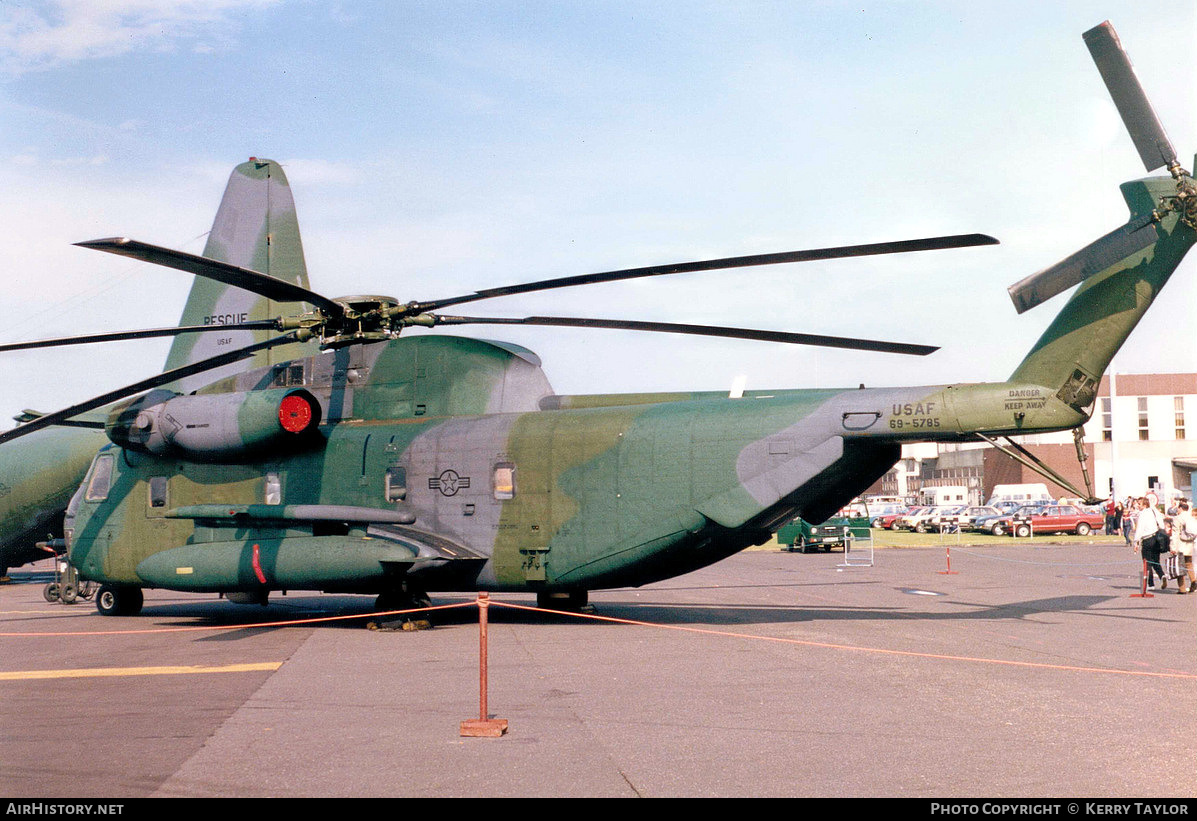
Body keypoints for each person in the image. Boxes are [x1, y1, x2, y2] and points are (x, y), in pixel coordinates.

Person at [1133, 496, 1167, 589]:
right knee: (1155, 560)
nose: (1137, 506)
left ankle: (1150, 584)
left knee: (1147, 562)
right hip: (1156, 537)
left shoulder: (1142, 514)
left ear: (1144, 505)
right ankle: (1162, 576)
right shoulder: (1153, 511)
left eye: (1139, 504)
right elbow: (1161, 524)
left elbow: (1140, 529)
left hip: (1147, 539)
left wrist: (1136, 542)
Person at [1172, 500, 1196, 594]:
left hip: (1180, 544)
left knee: (1179, 566)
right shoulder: (1191, 518)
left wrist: (1173, 547)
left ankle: (1182, 588)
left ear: (1181, 508)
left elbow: (1175, 533)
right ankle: (1193, 580)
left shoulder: (1177, 518)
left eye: (1178, 508)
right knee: (1189, 563)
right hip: (1190, 543)